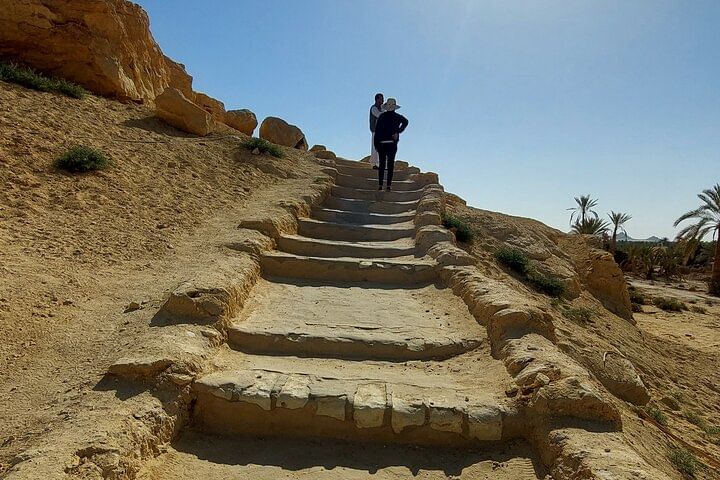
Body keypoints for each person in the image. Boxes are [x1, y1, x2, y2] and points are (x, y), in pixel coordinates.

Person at [373, 98, 408, 191]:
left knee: (382, 164)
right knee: (390, 164)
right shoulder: (397, 117)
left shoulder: (382, 117)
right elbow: (406, 121)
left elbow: (377, 131)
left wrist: (376, 144)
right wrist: (398, 131)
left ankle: (380, 185)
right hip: (392, 143)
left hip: (382, 144)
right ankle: (388, 185)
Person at [369, 93, 384, 169]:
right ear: (377, 99)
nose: (383, 100)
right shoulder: (374, 108)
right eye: (381, 99)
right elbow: (379, 115)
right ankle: (374, 164)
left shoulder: (382, 109)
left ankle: (379, 164)